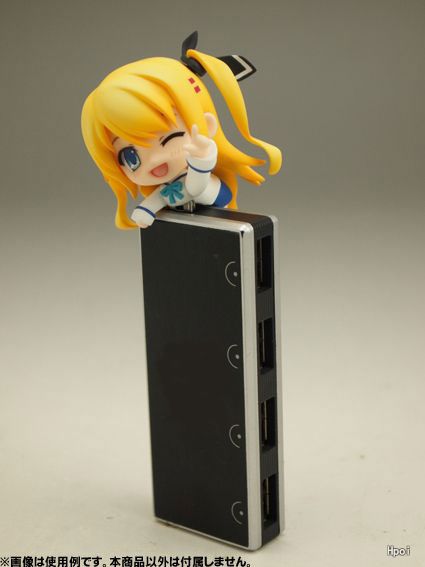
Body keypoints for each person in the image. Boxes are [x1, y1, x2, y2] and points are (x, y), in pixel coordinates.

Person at [81, 32, 282, 229]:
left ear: (207, 125)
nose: (154, 160)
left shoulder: (200, 182)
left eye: (170, 138)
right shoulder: (168, 189)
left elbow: (196, 186)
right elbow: (162, 197)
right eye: (130, 157)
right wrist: (146, 210)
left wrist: (203, 158)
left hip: (216, 215)